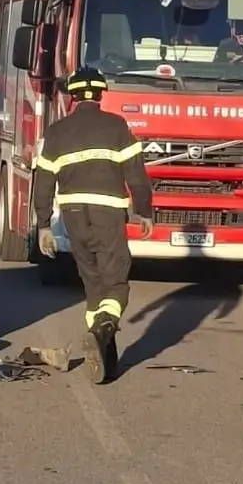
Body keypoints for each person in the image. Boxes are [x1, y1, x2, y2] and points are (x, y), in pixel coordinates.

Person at [33, 69, 154, 384]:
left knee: (92, 282)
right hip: (108, 214)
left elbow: (43, 181)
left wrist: (43, 225)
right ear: (101, 94)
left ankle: (104, 351)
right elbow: (137, 176)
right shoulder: (116, 126)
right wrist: (144, 212)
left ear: (72, 95)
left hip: (73, 214)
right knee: (116, 281)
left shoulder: (57, 131)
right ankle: (103, 326)